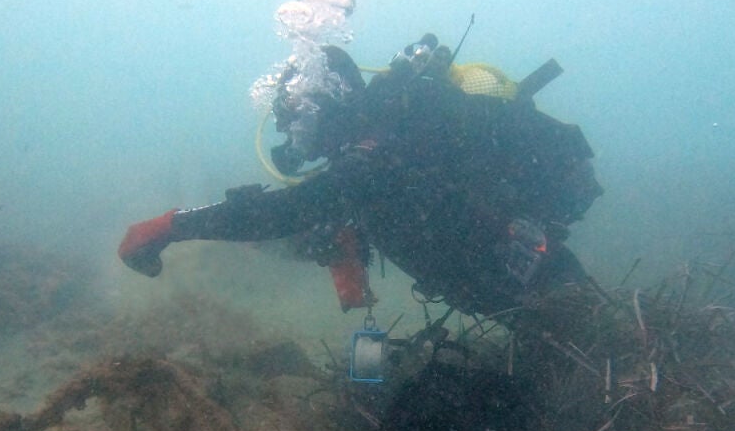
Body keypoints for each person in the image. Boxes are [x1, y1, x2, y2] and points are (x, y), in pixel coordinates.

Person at [118, 33, 603, 324]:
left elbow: (284, 213)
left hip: (537, 286)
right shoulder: (375, 156)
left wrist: (171, 226)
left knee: (589, 346)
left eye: (294, 119)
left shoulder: (373, 154)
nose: (292, 137)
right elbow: (299, 222)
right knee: (581, 341)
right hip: (519, 287)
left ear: (323, 106)